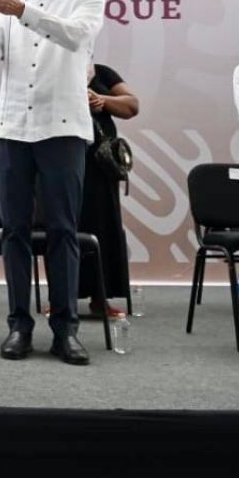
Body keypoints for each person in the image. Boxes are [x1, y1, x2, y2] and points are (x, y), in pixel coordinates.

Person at [0, 0, 105, 365]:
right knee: (15, 232)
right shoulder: (10, 4)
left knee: (63, 231)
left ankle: (66, 329)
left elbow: (75, 37)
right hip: (12, 130)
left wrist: (20, 11)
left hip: (61, 130)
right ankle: (19, 326)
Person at [79, 62, 139, 317]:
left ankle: (100, 298)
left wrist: (101, 100)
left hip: (99, 166)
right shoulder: (50, 67)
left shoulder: (101, 73)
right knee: (63, 228)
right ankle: (62, 297)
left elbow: (131, 105)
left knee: (103, 227)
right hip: (58, 157)